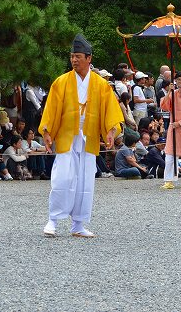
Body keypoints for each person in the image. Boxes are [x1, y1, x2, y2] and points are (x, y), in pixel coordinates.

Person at [39, 33, 123, 238]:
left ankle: (78, 224)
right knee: (62, 179)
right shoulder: (61, 82)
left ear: (89, 58)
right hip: (67, 135)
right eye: (72, 57)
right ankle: (53, 220)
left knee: (85, 182)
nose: (74, 60)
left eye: (78, 56)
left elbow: (110, 111)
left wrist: (111, 131)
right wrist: (48, 132)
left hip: (89, 136)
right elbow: (51, 109)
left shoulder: (101, 84)